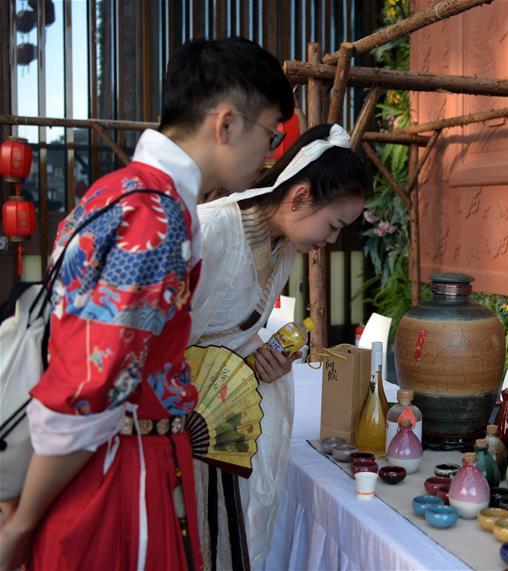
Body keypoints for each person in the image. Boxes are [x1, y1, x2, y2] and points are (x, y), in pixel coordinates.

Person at [0, 37, 293, 571]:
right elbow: (91, 392)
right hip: (115, 478)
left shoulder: (116, 191)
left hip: (104, 465)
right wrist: (21, 522)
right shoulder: (155, 220)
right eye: (271, 134)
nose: (269, 155)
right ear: (226, 125)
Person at [189, 122, 367, 570]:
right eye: (333, 225)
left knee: (227, 535)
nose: (329, 240)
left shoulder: (284, 246)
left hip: (228, 420)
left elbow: (237, 335)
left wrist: (263, 357)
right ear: (300, 196)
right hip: (183, 420)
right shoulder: (209, 231)